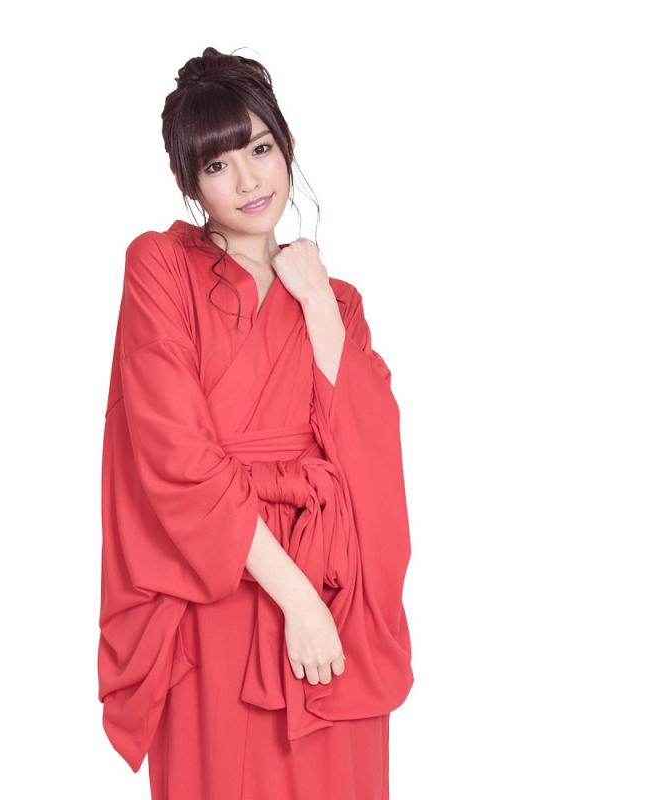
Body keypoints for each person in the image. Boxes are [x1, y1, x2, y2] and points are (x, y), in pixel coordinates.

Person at [97, 46, 414, 799]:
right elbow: (176, 454)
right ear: (189, 182)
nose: (247, 181)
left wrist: (317, 303)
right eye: (217, 164)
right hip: (221, 587)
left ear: (287, 147)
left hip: (336, 591)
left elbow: (369, 453)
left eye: (260, 150)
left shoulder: (336, 300)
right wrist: (297, 602)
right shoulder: (159, 267)